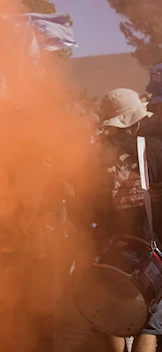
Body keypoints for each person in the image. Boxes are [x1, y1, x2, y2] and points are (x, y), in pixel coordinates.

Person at [61, 88, 162, 352]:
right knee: (150, 325)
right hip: (149, 249)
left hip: (106, 250)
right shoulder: (153, 148)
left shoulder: (89, 158)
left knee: (113, 317)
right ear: (135, 121)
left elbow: (78, 207)